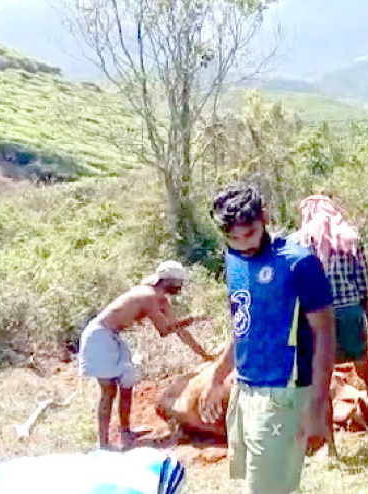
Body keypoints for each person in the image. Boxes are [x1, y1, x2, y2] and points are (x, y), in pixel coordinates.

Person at [200, 181, 336, 494]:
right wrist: (217, 376)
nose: (243, 244)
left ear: (265, 216)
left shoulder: (298, 262)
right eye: (233, 238)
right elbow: (243, 325)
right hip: (245, 388)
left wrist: (317, 405)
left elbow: (326, 334)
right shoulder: (233, 259)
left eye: (249, 233)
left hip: (283, 391)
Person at [292, 195, 368, 450]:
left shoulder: (298, 243)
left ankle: (331, 448)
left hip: (318, 318)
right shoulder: (349, 238)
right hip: (350, 313)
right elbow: (364, 281)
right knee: (366, 372)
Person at [78, 261, 213, 450]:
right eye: (179, 282)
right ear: (168, 281)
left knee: (127, 383)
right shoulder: (148, 296)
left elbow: (180, 332)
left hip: (113, 337)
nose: (181, 287)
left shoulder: (160, 299)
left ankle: (126, 432)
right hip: (100, 336)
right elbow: (164, 330)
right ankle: (103, 444)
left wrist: (204, 355)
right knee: (109, 390)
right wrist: (192, 320)